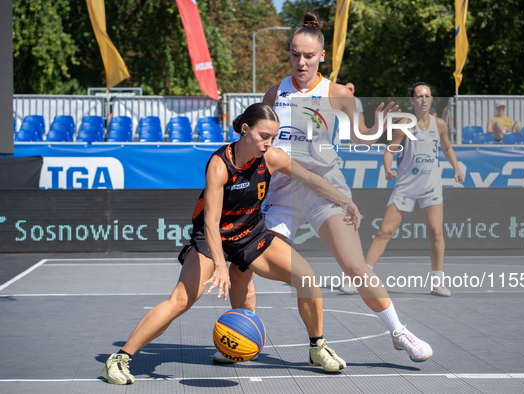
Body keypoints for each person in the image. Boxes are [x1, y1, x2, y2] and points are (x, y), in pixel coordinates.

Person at [224, 11, 433, 364]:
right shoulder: (276, 92)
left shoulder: (336, 93)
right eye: (294, 54)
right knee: (240, 267)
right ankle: (240, 338)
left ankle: (399, 332)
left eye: (308, 56)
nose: (300, 62)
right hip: (282, 192)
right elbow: (258, 142)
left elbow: (360, 136)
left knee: (354, 266)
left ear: (322, 56)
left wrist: (380, 127)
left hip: (325, 189)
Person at [102, 103, 352, 385]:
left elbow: (311, 178)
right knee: (181, 300)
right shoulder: (220, 165)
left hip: (250, 234)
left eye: (273, 137)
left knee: (306, 277)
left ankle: (316, 347)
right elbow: (210, 223)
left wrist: (345, 201)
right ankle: (119, 359)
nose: (269, 143)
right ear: (245, 130)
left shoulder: (271, 158)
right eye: (263, 136)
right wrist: (220, 266)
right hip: (213, 238)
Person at [361, 82, 465, 297]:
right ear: (412, 100)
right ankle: (360, 278)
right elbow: (389, 151)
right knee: (384, 232)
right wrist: (388, 169)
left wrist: (456, 168)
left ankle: (437, 282)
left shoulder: (440, 125)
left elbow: (447, 147)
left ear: (431, 98)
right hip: (406, 187)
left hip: (431, 187)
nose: (423, 99)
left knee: (436, 233)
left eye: (427, 95)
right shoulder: (404, 125)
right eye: (419, 96)